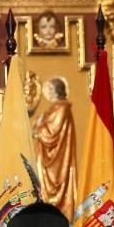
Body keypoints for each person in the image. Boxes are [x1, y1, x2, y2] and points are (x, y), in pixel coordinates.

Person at [33, 78, 77, 219]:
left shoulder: (62, 108)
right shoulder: (53, 108)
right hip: (48, 156)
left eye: (50, 90)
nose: (47, 93)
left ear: (57, 91)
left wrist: (39, 129)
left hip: (58, 159)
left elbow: (52, 132)